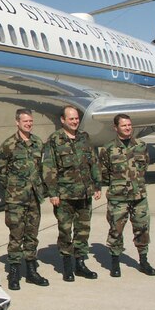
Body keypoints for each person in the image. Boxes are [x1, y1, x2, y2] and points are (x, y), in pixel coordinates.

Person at [42, 105, 102, 282]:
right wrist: (52, 192)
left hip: (84, 193)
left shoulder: (84, 138)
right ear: (63, 120)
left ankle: (81, 264)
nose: (75, 121)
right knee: (66, 231)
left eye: (76, 118)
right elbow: (49, 168)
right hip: (65, 195)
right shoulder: (54, 140)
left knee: (83, 231)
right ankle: (67, 266)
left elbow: (93, 162)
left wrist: (97, 185)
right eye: (71, 119)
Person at [0, 108, 49, 290]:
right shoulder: (9, 144)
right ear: (17, 122)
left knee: (32, 236)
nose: (28, 124)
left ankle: (32, 271)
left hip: (34, 197)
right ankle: (14, 273)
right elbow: (0, 171)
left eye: (30, 121)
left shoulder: (37, 142)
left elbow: (41, 168)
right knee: (16, 236)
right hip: (16, 199)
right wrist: (13, 188)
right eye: (25, 121)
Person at [99, 113, 155, 277]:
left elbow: (144, 166)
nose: (128, 128)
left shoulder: (141, 145)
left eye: (129, 125)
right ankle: (115, 263)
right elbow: (104, 173)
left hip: (139, 196)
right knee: (115, 231)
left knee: (142, 229)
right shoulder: (108, 149)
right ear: (115, 128)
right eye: (124, 125)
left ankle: (143, 261)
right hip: (118, 198)